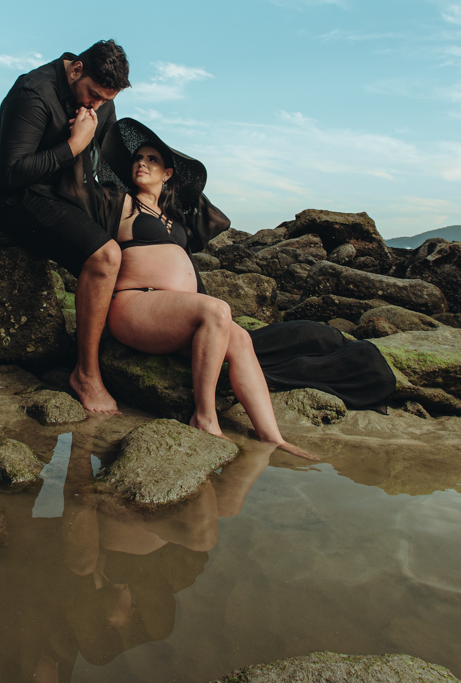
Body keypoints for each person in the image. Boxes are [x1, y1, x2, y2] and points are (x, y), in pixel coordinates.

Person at [100, 119, 319, 462]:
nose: (141, 163)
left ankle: (272, 436)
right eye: (137, 158)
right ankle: (204, 416)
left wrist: (181, 190)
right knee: (217, 309)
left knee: (242, 339)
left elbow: (218, 219)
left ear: (168, 173)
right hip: (134, 304)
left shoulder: (174, 216)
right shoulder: (122, 203)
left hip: (172, 313)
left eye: (152, 159)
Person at [0, 40, 130, 415]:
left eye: (104, 100)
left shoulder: (100, 96)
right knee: (105, 256)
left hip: (67, 189)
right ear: (76, 69)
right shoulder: (33, 92)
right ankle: (86, 373)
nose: (96, 105)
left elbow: (107, 160)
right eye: (93, 95)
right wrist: (74, 145)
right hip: (14, 195)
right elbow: (10, 173)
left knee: (137, 231)